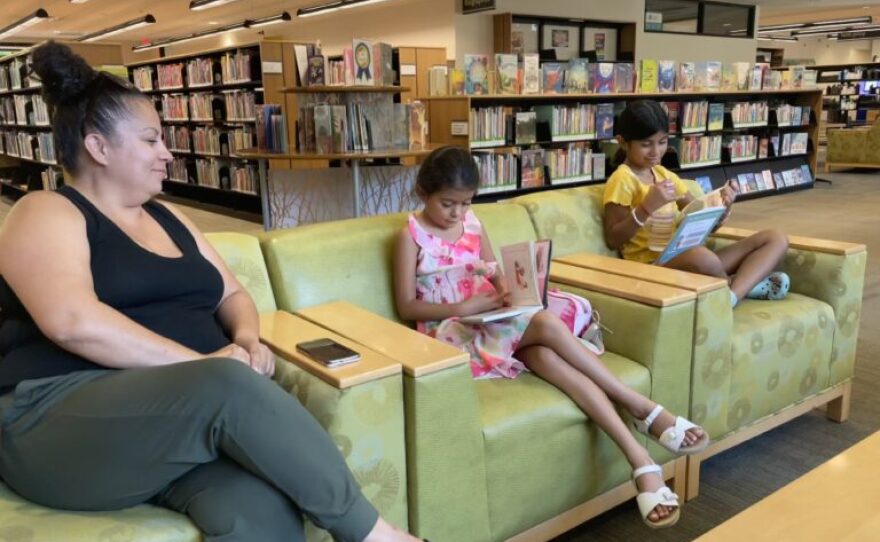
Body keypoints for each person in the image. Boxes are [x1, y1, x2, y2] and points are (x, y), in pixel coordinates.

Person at [0, 42, 421, 542]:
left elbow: (234, 295)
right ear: (99, 147)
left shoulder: (169, 215)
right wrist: (206, 367)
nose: (167, 154)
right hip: (57, 419)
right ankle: (380, 537)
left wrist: (247, 340)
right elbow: (72, 320)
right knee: (226, 385)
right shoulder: (45, 211)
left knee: (263, 511)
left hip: (172, 424)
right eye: (151, 139)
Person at [392, 146, 709, 529]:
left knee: (545, 356)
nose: (458, 213)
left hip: (493, 320)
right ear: (422, 192)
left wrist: (509, 289)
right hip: (453, 333)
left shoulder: (472, 223)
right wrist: (468, 307)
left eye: (465, 203)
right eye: (448, 204)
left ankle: (641, 462)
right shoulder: (410, 236)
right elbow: (407, 307)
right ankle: (642, 408)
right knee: (541, 323)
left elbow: (495, 273)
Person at [603, 100, 790, 307]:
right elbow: (613, 239)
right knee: (703, 257)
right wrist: (646, 207)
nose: (656, 152)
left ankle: (732, 294)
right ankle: (737, 287)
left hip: (687, 257)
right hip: (651, 269)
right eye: (646, 144)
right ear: (622, 142)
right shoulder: (622, 179)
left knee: (775, 238)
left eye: (663, 141)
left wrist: (722, 206)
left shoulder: (664, 175)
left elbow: (699, 217)